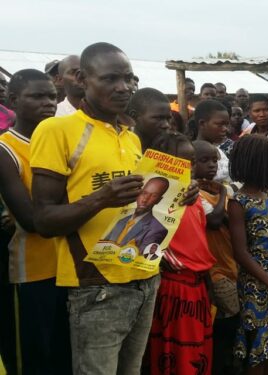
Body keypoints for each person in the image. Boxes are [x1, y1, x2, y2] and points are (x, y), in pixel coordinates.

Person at [30, 42, 198, 375]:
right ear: (81, 78)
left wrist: (181, 196)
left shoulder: (132, 138)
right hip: (96, 285)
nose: (124, 88)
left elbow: (143, 209)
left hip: (145, 277)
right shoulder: (56, 130)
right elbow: (43, 220)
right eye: (110, 79)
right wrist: (101, 198)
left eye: (129, 79)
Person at [0, 69, 72, 375]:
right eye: (37, 96)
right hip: (29, 272)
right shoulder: (6, 150)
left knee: (63, 356)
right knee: (31, 358)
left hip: (68, 268)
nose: (48, 103)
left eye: (52, 96)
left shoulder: (59, 144)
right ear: (13, 100)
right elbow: (32, 220)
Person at [147, 133, 217, 375]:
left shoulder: (192, 197)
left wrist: (208, 282)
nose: (188, 167)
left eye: (191, 161)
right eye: (182, 161)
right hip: (175, 287)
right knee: (176, 353)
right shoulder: (156, 202)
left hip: (197, 285)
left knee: (196, 351)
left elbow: (200, 242)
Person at [227, 135, 268, 375]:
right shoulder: (238, 202)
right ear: (257, 164)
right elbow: (241, 252)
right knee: (257, 346)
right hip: (257, 287)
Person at [192, 140, 240, 375]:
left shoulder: (217, 187)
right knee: (226, 319)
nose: (212, 165)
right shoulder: (195, 193)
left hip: (228, 260)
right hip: (213, 266)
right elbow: (214, 221)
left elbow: (232, 222)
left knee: (225, 317)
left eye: (215, 160)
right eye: (205, 161)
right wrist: (222, 195)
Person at [102, 177, 169, 254]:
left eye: (153, 196)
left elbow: (140, 257)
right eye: (144, 193)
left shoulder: (158, 230)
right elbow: (102, 245)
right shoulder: (121, 221)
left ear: (158, 200)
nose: (144, 200)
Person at [195, 99, 232, 184]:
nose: (225, 129)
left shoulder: (220, 152)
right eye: (220, 124)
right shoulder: (190, 152)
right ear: (202, 123)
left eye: (226, 124)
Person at [127, 88, 172, 152]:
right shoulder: (122, 147)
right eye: (158, 118)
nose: (166, 125)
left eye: (168, 118)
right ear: (134, 116)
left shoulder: (174, 147)